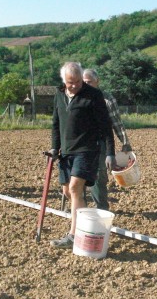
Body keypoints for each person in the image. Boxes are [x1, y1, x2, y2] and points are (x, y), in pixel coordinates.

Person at [49, 62, 116, 249]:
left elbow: (106, 126)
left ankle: (73, 235)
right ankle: (86, 223)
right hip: (66, 152)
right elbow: (56, 124)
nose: (75, 85)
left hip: (87, 150)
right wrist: (55, 148)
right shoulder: (59, 95)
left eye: (78, 81)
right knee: (67, 192)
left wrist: (110, 152)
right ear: (64, 80)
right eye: (71, 82)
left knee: (75, 188)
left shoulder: (93, 95)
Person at [83, 68, 132, 210]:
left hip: (100, 143)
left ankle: (101, 209)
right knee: (78, 177)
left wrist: (125, 143)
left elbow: (117, 123)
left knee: (98, 177)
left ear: (97, 82)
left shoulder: (107, 99)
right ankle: (80, 209)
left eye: (89, 82)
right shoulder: (77, 97)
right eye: (84, 82)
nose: (86, 85)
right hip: (80, 144)